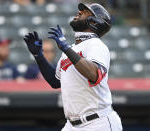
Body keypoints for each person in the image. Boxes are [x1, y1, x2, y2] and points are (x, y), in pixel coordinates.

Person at [23, 3, 122, 131]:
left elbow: (94, 74)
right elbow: (55, 82)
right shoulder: (72, 49)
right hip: (72, 125)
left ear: (95, 22)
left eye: (86, 12)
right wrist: (39, 56)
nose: (79, 12)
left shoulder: (96, 45)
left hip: (98, 122)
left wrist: (66, 48)